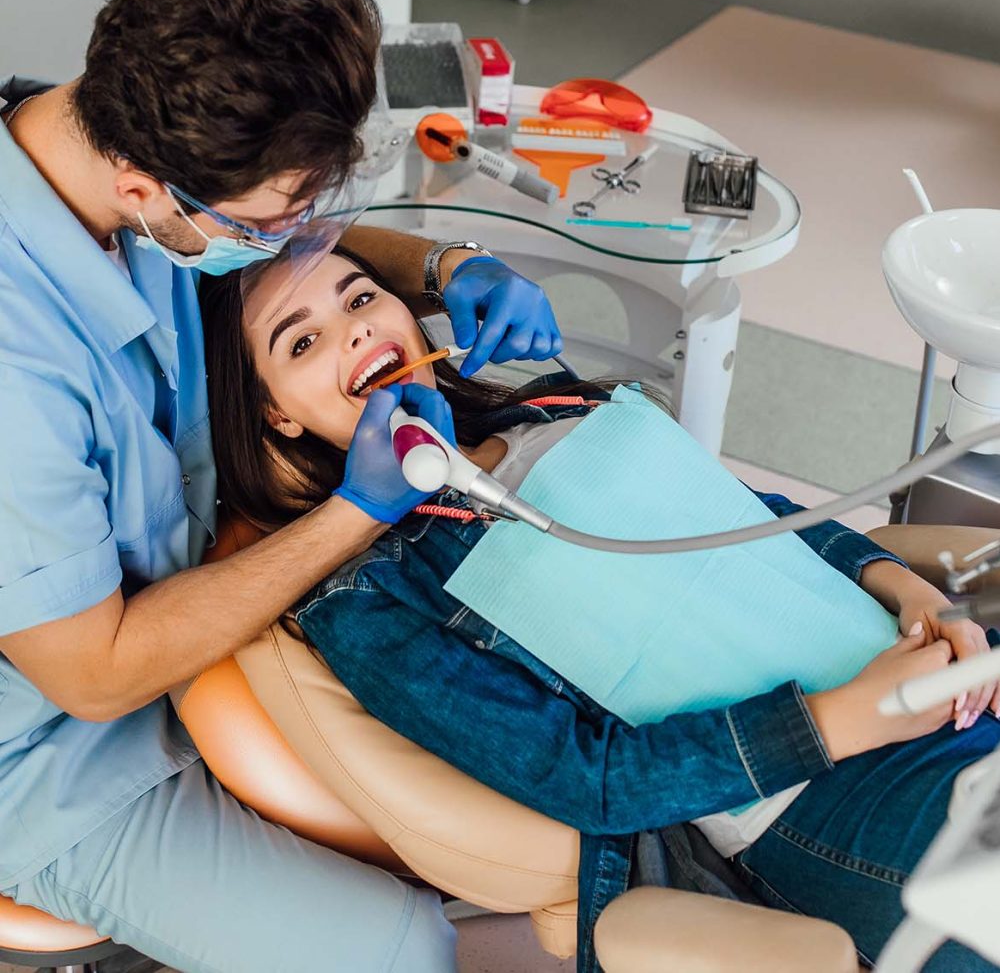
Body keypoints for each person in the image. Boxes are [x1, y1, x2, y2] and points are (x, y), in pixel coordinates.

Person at [0, 0, 566, 973]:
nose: (309, 239)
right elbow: (95, 672)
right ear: (144, 190)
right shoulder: (15, 369)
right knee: (392, 946)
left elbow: (301, 243)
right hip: (57, 751)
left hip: (211, 620)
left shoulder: (96, 124)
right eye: (273, 221)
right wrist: (361, 508)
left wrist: (444, 266)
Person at [201, 246, 1000, 973]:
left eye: (360, 297)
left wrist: (911, 593)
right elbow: (589, 780)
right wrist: (847, 719)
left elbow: (762, 517)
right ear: (278, 416)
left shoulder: (558, 407)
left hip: (935, 668)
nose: (351, 332)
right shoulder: (372, 599)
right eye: (299, 342)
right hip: (820, 790)